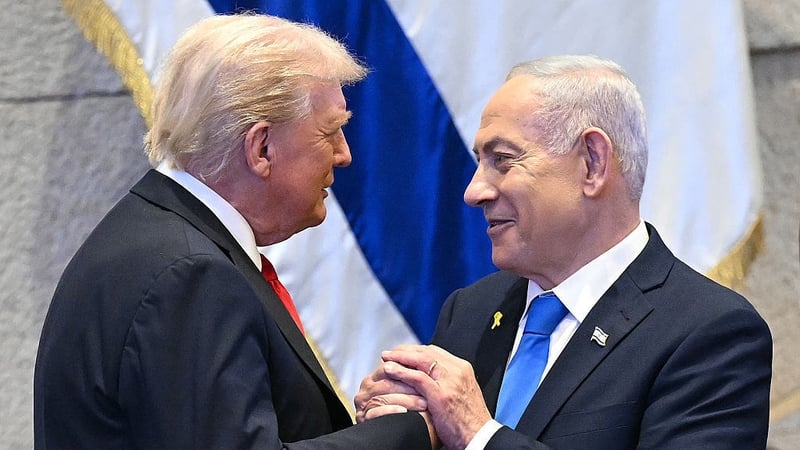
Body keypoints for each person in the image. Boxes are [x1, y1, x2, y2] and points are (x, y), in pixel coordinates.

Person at [34, 14, 432, 449]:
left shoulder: (154, 240)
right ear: (261, 148)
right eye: (331, 131)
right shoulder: (189, 276)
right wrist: (412, 431)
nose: (344, 155)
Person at [356, 55, 773, 449]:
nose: (474, 191)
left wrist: (479, 435)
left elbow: (473, 433)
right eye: (480, 162)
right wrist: (394, 431)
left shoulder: (708, 331)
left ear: (592, 163)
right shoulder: (470, 311)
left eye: (503, 160)